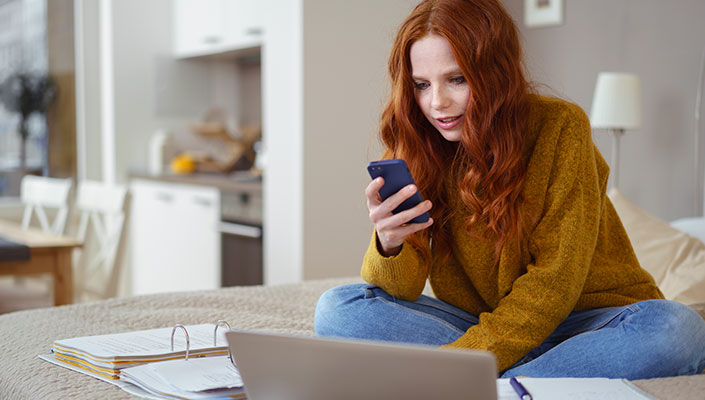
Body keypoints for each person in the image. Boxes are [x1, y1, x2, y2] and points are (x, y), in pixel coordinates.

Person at [314, 0, 705, 379]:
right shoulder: (421, 144)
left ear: (494, 73)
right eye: (421, 84)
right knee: (337, 308)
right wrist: (389, 244)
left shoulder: (561, 128)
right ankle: (518, 376)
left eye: (457, 79)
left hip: (587, 322)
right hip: (490, 322)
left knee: (678, 328)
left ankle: (478, 378)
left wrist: (459, 365)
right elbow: (402, 289)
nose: (437, 103)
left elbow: (555, 281)